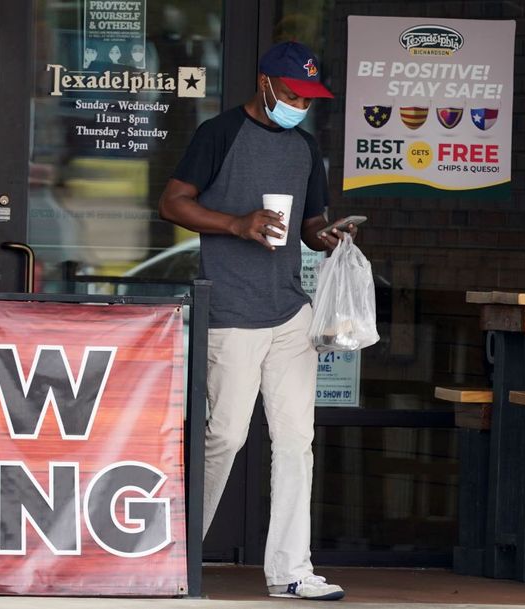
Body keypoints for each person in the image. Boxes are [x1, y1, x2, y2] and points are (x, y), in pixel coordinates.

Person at [158, 41, 357, 601]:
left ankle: (291, 570)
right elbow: (173, 203)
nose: (300, 103)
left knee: (297, 441)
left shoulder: (303, 146)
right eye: (292, 93)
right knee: (224, 436)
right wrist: (236, 224)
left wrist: (328, 236)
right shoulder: (218, 135)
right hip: (233, 311)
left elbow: (309, 223)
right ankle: (173, 552)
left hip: (291, 310)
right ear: (265, 82)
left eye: (308, 97)